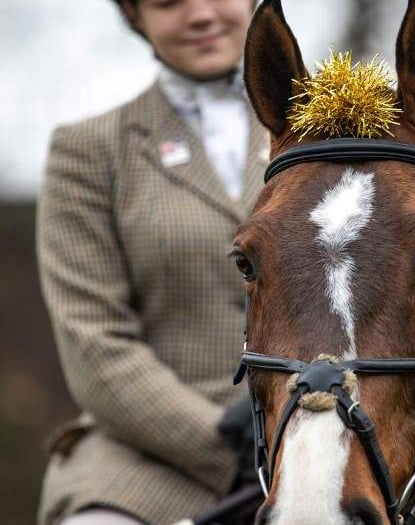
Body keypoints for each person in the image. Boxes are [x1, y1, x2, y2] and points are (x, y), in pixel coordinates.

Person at [36, 1, 266, 524]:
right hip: (151, 461)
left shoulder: (332, 130)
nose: (201, 15)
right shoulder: (89, 152)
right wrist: (222, 438)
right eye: (168, 2)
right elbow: (95, 342)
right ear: (135, 16)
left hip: (326, 435)